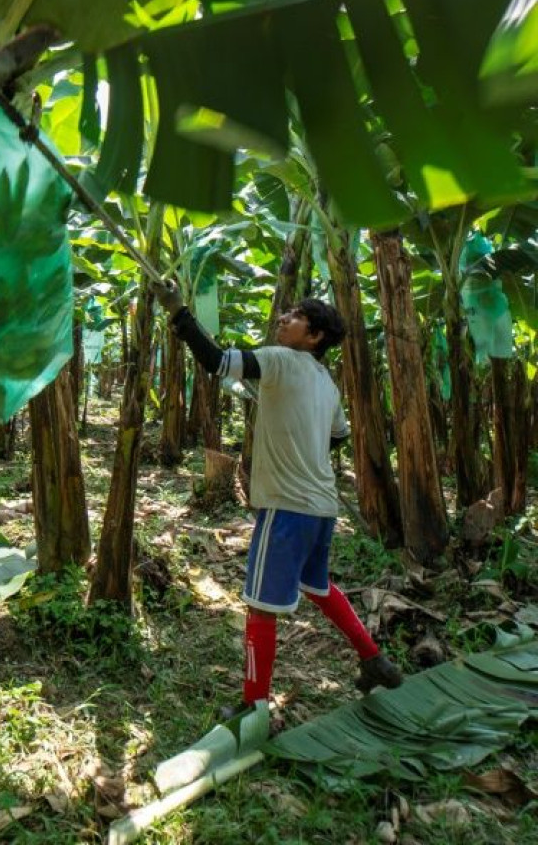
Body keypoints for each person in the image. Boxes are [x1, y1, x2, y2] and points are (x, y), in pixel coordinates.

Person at [152, 281, 403, 713]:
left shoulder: (281, 359)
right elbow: (338, 437)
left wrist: (178, 312)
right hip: (321, 507)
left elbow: (215, 361)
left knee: (260, 607)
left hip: (288, 507)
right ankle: (374, 660)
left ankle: (254, 707)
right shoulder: (325, 381)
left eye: (295, 316)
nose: (282, 319)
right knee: (320, 587)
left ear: (314, 336)